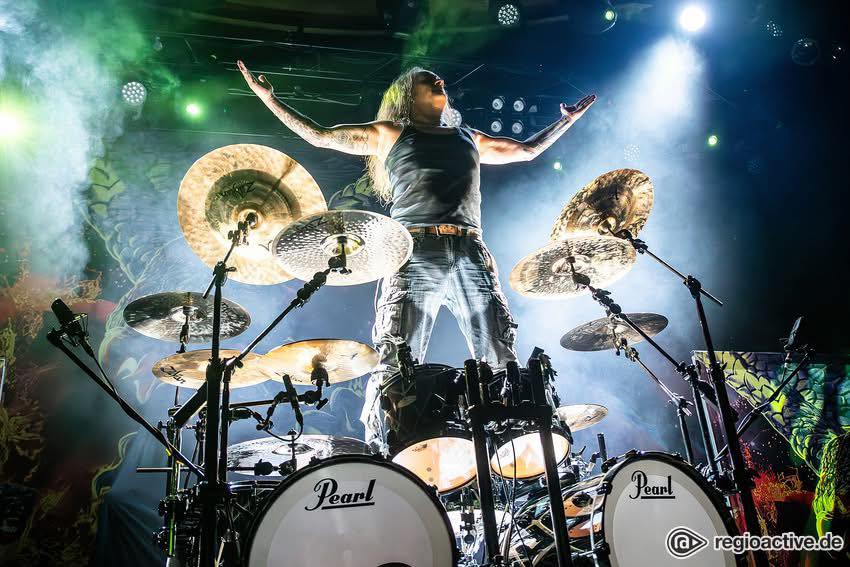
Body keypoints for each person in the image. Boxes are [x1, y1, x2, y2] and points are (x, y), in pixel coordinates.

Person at [237, 61, 595, 445]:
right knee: (398, 353)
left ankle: (510, 444)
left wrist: (566, 121)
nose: (439, 81)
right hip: (415, 248)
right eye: (428, 80)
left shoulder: (469, 137)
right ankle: (382, 446)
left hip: (470, 247)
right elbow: (321, 136)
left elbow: (527, 150)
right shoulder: (390, 134)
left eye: (438, 79)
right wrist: (270, 100)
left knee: (499, 351)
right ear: (408, 95)